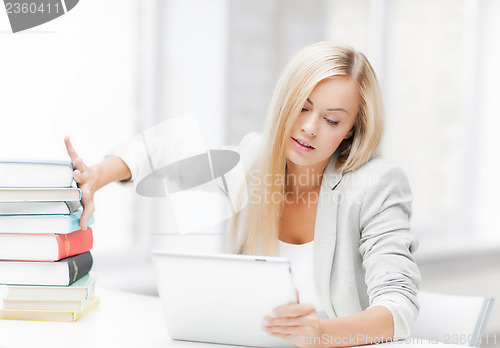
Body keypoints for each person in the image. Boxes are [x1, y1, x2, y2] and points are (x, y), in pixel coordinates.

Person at [65, 42, 420, 347]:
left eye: (331, 120)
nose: (309, 128)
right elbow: (161, 156)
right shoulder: (255, 159)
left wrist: (320, 334)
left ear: (350, 130)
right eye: (302, 106)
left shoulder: (377, 183)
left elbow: (398, 308)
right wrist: (98, 176)